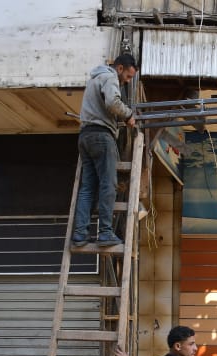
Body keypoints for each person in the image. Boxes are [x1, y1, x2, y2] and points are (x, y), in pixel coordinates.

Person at [72, 52, 138, 248]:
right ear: (120, 68)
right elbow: (113, 103)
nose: (127, 81)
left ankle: (80, 234)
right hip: (102, 137)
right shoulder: (110, 77)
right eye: (128, 76)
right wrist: (128, 115)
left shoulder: (95, 79)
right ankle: (105, 233)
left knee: (87, 187)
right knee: (108, 185)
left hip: (85, 136)